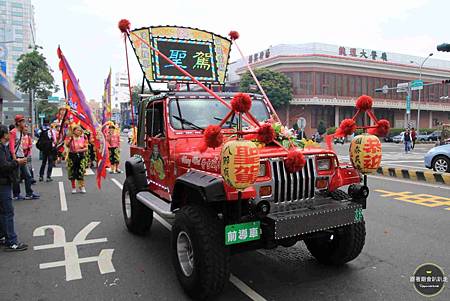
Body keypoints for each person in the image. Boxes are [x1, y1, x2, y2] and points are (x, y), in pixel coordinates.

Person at [0, 124, 28, 251]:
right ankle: (12, 241)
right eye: (7, 133)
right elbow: (4, 166)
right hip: (3, 183)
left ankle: (4, 236)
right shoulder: (1, 148)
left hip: (5, 182)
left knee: (3, 212)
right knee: (8, 212)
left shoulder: (3, 147)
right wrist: (17, 162)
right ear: (4, 135)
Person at [9, 115, 39, 200]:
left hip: (22, 156)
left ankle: (29, 193)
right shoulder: (13, 132)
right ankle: (16, 194)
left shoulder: (21, 131)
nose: (24, 123)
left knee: (28, 176)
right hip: (16, 157)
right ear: (18, 123)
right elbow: (11, 146)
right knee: (16, 177)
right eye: (22, 121)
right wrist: (15, 158)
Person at [66, 124, 88, 194]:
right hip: (72, 156)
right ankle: (73, 187)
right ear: (74, 131)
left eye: (80, 130)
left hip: (81, 156)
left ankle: (82, 186)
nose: (79, 132)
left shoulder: (83, 137)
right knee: (72, 172)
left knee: (81, 172)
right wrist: (71, 140)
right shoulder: (70, 138)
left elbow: (86, 148)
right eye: (77, 130)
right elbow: (67, 145)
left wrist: (79, 150)